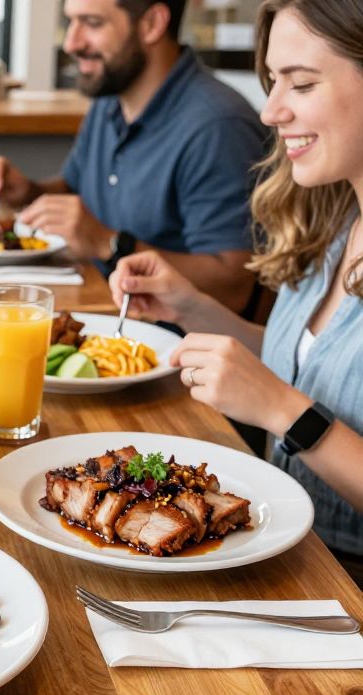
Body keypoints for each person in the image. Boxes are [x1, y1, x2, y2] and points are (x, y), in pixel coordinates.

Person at [109, 0, 363, 582]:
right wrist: (190, 307)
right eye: (273, 81)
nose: (271, 110)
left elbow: (287, 398)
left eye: (301, 83)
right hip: (281, 557)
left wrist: (283, 411)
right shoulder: (337, 220)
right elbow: (306, 370)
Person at [0, 0, 268, 314]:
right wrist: (27, 193)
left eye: (92, 23)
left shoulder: (218, 126)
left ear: (152, 24)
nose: (71, 43)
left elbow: (233, 288)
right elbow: (75, 192)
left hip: (164, 337)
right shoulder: (111, 98)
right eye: (71, 22)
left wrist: (109, 244)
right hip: (98, 304)